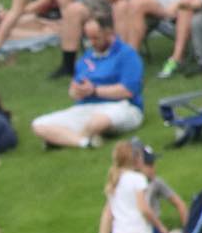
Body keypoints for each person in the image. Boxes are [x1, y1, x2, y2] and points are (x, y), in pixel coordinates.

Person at [32, 13, 145, 149]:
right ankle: (84, 142)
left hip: (122, 106)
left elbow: (128, 91)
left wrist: (94, 91)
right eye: (89, 38)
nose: (92, 43)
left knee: (98, 122)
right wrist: (76, 92)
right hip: (85, 107)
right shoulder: (86, 58)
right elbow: (73, 90)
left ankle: (62, 138)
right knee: (38, 124)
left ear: (108, 32)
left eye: (96, 38)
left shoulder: (126, 54)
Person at [98, 141, 162, 233]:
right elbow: (143, 208)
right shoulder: (138, 179)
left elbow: (109, 212)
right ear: (136, 159)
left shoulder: (113, 180)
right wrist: (160, 227)